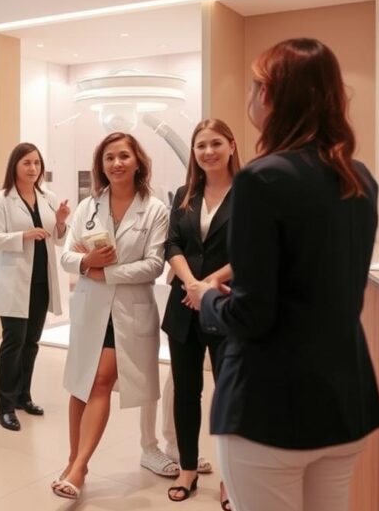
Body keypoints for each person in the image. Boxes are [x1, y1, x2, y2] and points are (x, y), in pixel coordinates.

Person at [187, 38, 379, 511]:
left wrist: (209, 298)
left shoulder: (262, 178)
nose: (250, 98)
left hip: (269, 403)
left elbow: (254, 315)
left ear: (274, 96)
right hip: (343, 400)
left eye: (256, 87)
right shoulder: (360, 178)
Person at [53, 132, 171, 499]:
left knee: (101, 379)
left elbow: (154, 265)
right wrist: (87, 261)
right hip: (91, 307)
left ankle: (79, 466)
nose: (116, 163)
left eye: (123, 156)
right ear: (101, 165)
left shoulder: (154, 209)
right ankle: (75, 462)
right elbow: (67, 256)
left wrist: (107, 273)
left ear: (138, 161)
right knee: (80, 385)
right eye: (109, 158)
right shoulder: (89, 207)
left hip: (128, 310)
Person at [162, 118, 241, 507]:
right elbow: (172, 243)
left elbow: (253, 250)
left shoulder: (250, 194)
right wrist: (192, 284)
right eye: (200, 146)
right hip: (183, 306)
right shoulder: (184, 193)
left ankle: (230, 479)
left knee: (227, 396)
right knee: (185, 392)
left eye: (214, 144)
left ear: (231, 145)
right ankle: (188, 468)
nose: (207, 152)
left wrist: (208, 285)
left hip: (227, 305)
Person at [0, 143, 70, 431]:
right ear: (15, 167)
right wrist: (23, 235)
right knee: (14, 342)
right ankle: (4, 406)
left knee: (32, 343)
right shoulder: (2, 200)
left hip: (41, 282)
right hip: (13, 282)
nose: (33, 168)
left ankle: (23, 396)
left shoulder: (48, 197)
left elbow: (58, 240)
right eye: (27, 163)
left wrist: (60, 223)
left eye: (36, 163)